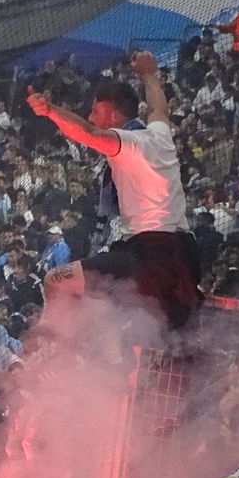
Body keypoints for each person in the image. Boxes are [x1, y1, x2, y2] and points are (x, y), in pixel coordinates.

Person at [26, 51, 200, 328]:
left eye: (95, 111)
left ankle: (50, 355)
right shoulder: (158, 134)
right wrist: (148, 75)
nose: (90, 117)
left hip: (155, 255)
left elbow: (89, 134)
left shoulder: (130, 144)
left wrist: (51, 111)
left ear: (113, 116)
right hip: (176, 252)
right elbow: (159, 110)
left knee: (57, 281)